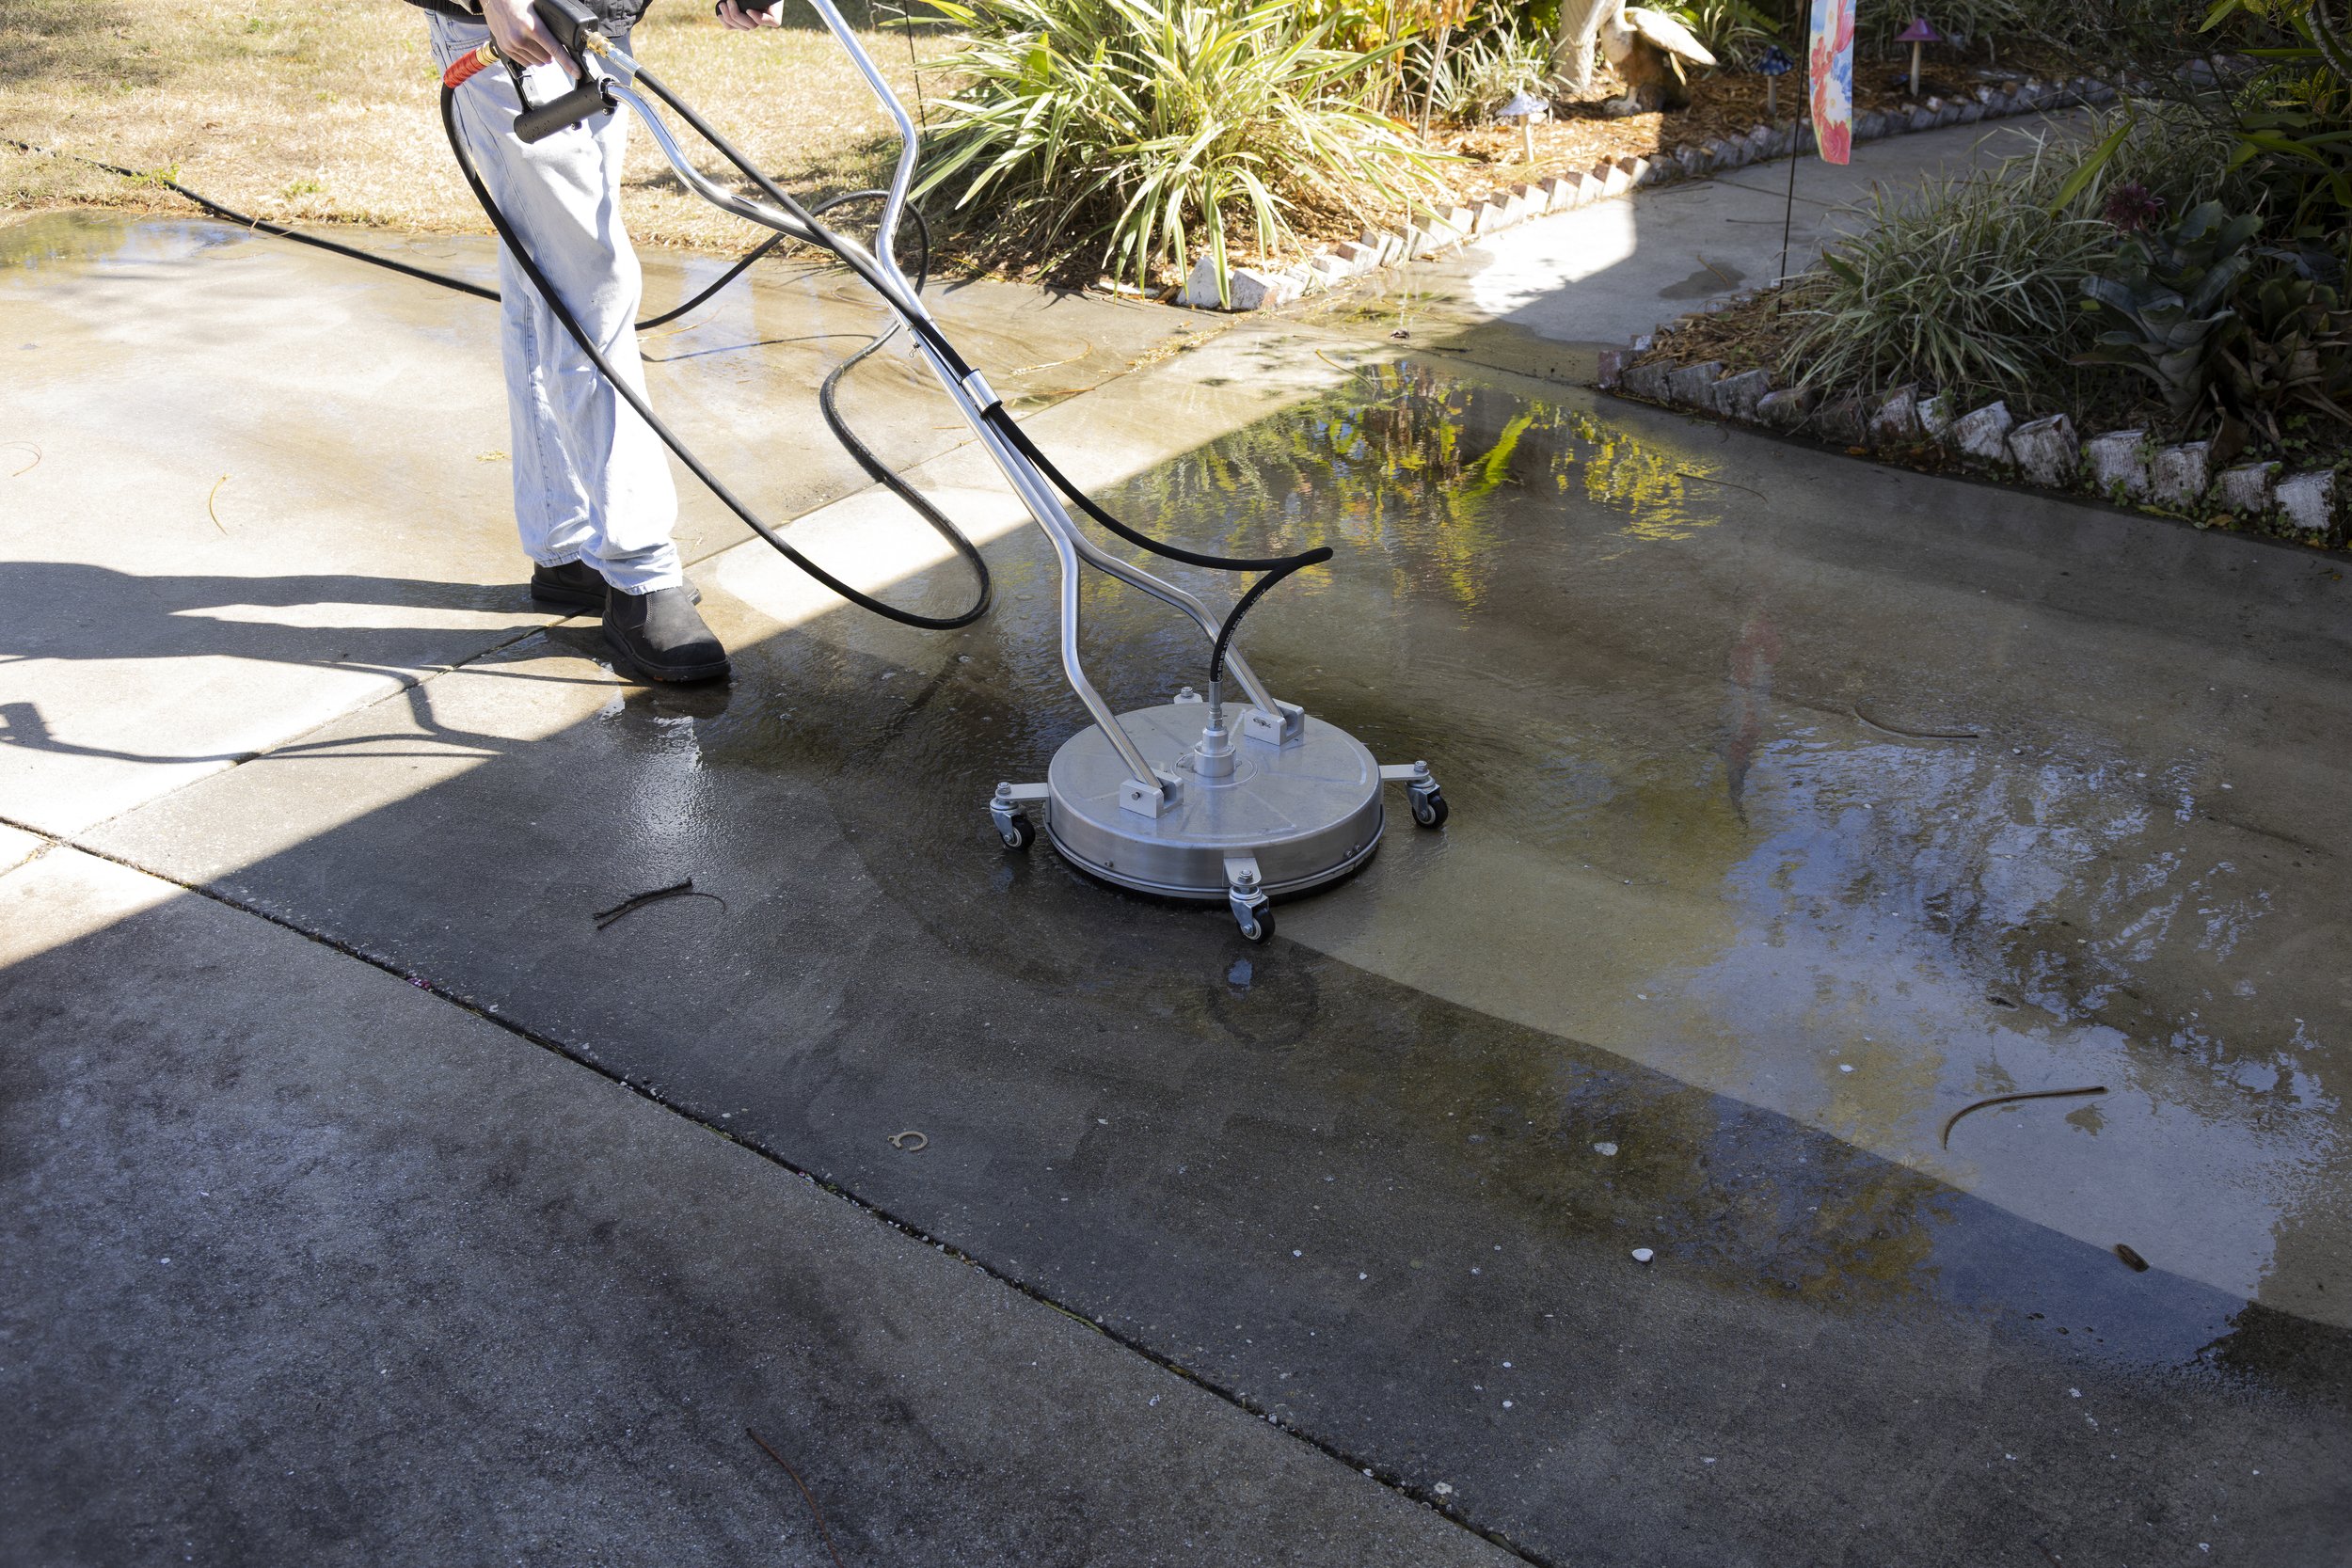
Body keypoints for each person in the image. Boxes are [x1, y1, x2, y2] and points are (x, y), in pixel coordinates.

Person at [408, 0, 786, 682]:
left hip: (598, 22)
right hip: (511, 30)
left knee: (546, 276)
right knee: (595, 281)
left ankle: (564, 546)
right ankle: (641, 575)